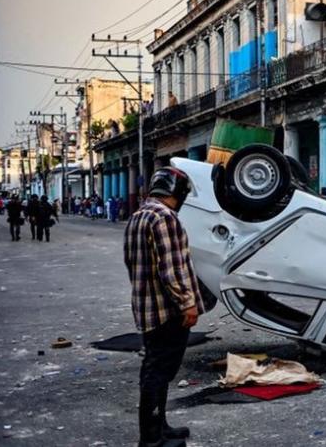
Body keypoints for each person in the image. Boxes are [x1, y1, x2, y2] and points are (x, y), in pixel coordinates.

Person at [123, 167, 204, 447]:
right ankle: (151, 439)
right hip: (166, 311)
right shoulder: (165, 218)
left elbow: (132, 263)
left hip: (146, 307)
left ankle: (160, 426)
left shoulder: (138, 216)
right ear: (177, 192)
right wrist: (188, 304)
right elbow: (171, 270)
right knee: (158, 371)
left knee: (154, 368)